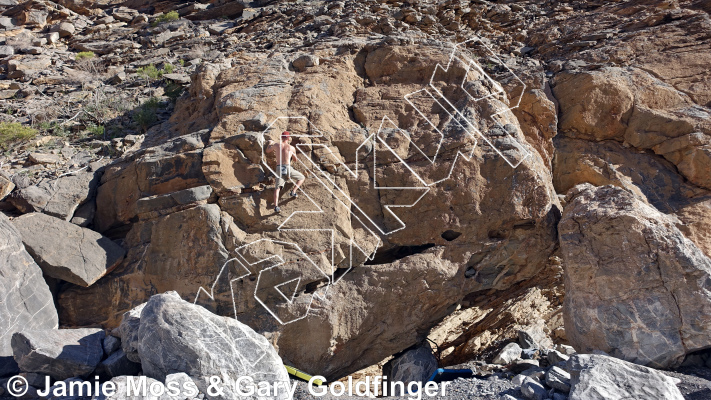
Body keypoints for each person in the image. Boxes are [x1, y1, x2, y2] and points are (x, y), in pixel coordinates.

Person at [266, 131, 305, 213]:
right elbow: (295, 160)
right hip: (288, 168)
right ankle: (293, 192)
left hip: (279, 168)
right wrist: (292, 154)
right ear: (288, 138)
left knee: (277, 188)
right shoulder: (291, 148)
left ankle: (276, 206)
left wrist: (270, 143)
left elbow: (268, 151)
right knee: (301, 177)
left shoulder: (276, 145)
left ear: (281, 137)